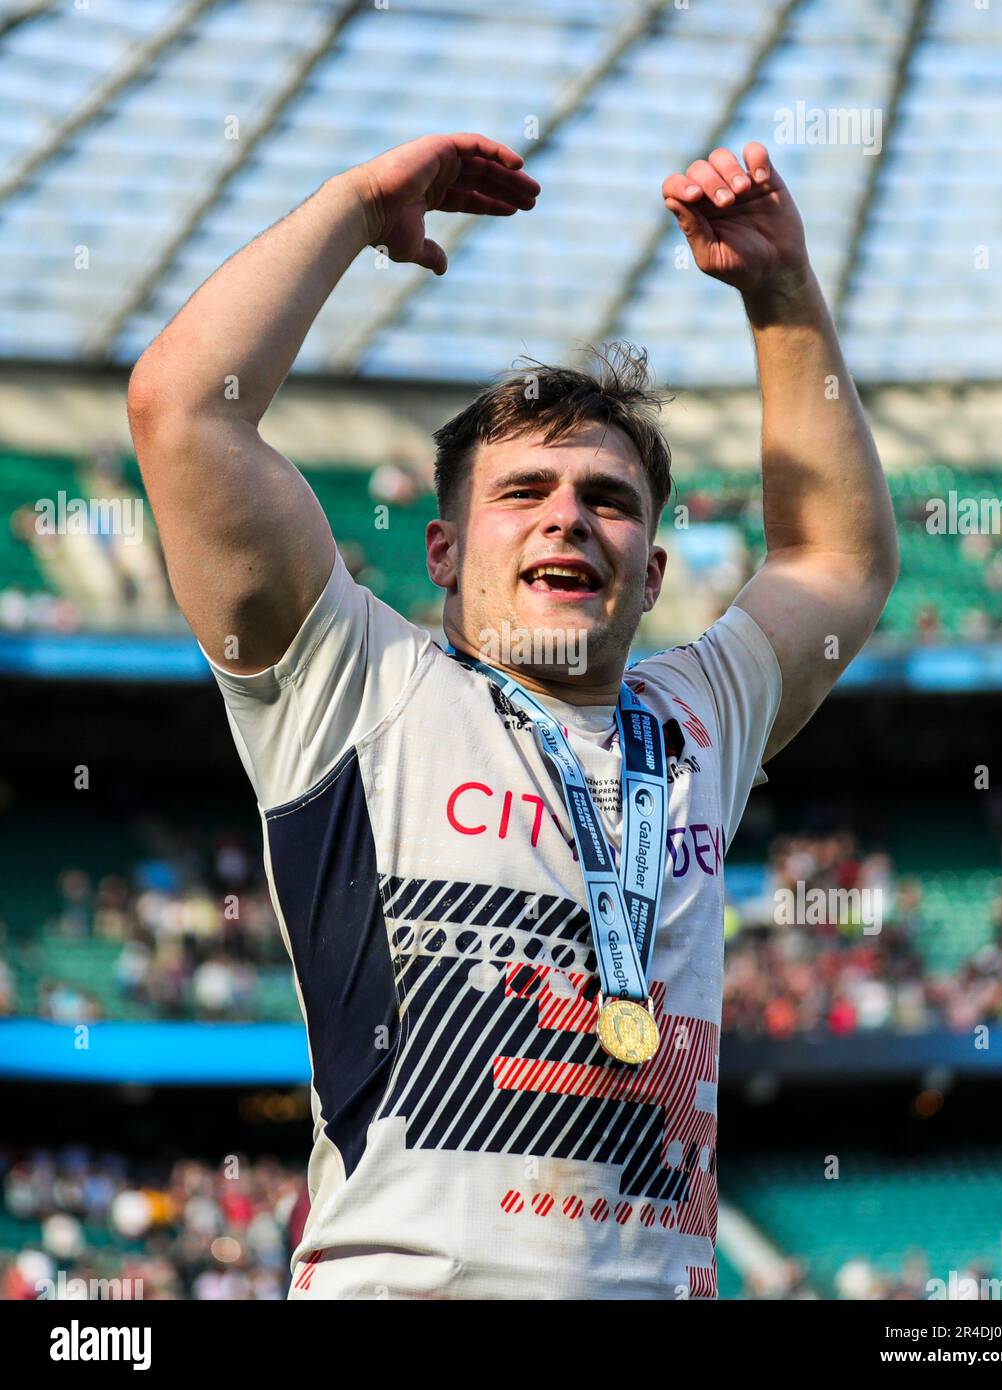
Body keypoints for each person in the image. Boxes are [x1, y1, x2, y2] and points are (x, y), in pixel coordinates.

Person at [127, 132, 898, 1299]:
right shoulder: (354, 684)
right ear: (442, 551)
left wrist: (783, 298)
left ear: (651, 573)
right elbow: (184, 412)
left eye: (609, 501)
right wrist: (353, 204)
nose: (569, 519)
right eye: (524, 492)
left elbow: (837, 555)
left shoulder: (699, 720)